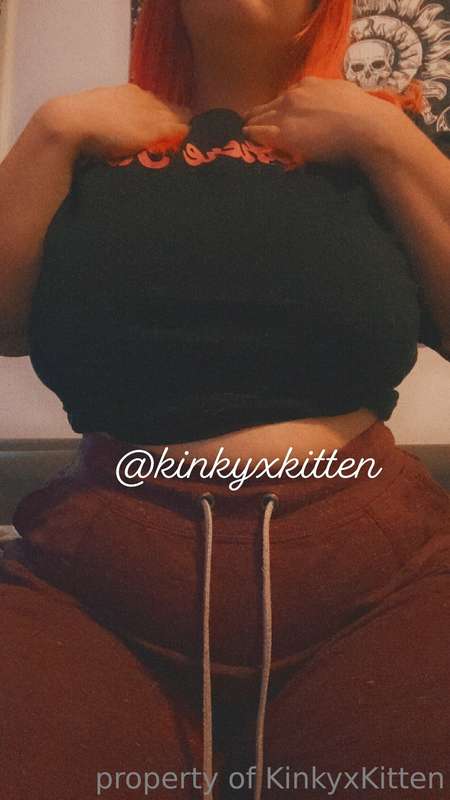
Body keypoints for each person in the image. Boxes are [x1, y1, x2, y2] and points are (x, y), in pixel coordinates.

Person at [0, 1, 449, 799]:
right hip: (102, 579)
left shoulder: (382, 139)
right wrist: (50, 131)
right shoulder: (93, 140)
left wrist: (386, 138)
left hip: (377, 578)